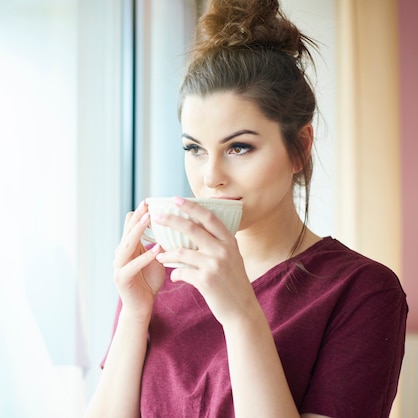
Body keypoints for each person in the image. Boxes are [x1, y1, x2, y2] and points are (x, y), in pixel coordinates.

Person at [84, 0, 408, 417]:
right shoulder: (157, 276)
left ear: (300, 148)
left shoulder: (361, 291)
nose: (211, 176)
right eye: (194, 149)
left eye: (239, 147)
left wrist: (241, 315)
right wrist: (135, 313)